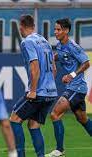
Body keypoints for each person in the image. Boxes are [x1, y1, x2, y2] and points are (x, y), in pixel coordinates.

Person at [9, 14, 58, 157]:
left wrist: (33, 90)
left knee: (14, 120)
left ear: (21, 27)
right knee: (33, 125)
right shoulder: (45, 41)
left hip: (38, 92)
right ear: (34, 26)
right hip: (51, 92)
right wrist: (48, 85)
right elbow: (54, 69)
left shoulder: (27, 42)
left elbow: (34, 67)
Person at [45, 18, 92, 157]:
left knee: (54, 114)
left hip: (76, 87)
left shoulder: (73, 46)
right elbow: (62, 56)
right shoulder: (60, 45)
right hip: (75, 88)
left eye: (58, 29)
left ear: (66, 30)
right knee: (82, 119)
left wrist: (71, 75)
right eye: (55, 29)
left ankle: (59, 150)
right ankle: (60, 150)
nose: (55, 32)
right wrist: (52, 58)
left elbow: (86, 63)